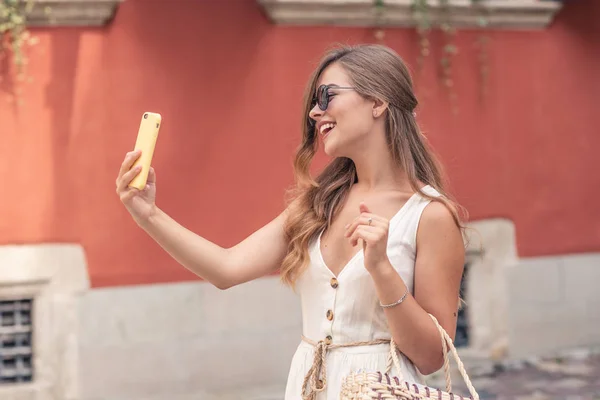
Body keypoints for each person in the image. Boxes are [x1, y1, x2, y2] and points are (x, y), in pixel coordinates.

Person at [115, 44, 466, 400]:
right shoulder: (318, 204)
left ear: (378, 102)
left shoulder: (430, 215)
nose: (315, 112)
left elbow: (431, 358)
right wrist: (148, 214)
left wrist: (382, 269)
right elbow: (226, 268)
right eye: (315, 102)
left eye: (327, 96)